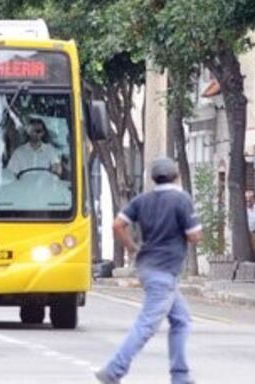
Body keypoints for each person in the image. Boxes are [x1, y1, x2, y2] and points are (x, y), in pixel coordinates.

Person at [95, 157, 202, 384]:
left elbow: (118, 224)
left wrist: (132, 247)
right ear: (176, 176)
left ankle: (180, 375)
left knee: (181, 319)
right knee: (146, 325)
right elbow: (194, 236)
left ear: (154, 178)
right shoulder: (181, 200)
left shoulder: (143, 200)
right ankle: (114, 369)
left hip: (148, 267)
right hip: (165, 270)